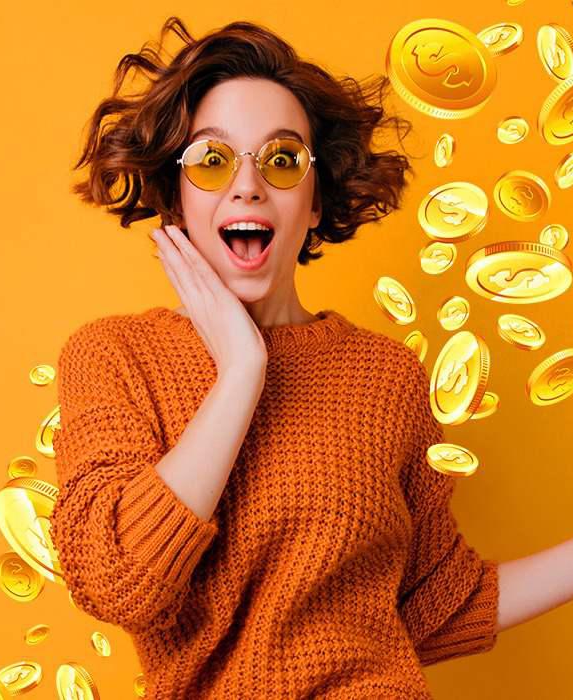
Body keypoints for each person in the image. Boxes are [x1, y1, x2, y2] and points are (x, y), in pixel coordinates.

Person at [49, 16, 495, 699]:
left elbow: (435, 607)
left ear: (314, 201)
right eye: (212, 160)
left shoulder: (385, 376)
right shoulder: (114, 355)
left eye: (282, 160)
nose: (248, 186)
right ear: (177, 197)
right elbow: (116, 582)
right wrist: (240, 373)